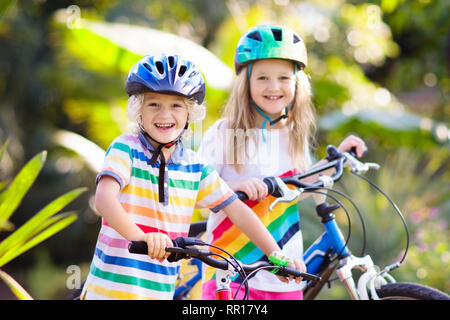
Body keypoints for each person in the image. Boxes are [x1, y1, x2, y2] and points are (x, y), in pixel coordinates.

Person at [80, 53, 304, 300]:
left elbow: (238, 212)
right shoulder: (126, 149)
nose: (165, 115)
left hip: (159, 293)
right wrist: (142, 237)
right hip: (108, 292)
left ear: (190, 114)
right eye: (153, 104)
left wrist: (276, 255)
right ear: (138, 111)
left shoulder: (195, 167)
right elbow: (104, 200)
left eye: (176, 106)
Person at [198, 24, 367, 300]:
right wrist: (233, 185)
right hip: (231, 272)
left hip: (284, 276)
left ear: (297, 82)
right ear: (246, 83)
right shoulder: (224, 133)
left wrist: (335, 158)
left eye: (284, 78)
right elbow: (196, 192)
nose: (274, 87)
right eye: (262, 77)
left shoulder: (293, 136)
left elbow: (298, 188)